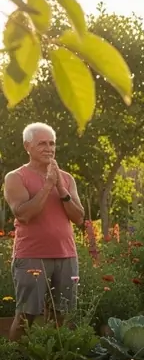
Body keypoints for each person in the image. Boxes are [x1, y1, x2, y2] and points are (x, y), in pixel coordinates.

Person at [3, 123, 85, 340]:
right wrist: (48, 184)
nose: (49, 148)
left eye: (52, 143)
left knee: (62, 315)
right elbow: (24, 214)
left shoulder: (67, 179)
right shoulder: (16, 177)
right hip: (31, 256)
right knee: (26, 315)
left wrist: (60, 187)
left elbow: (79, 217)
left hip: (66, 255)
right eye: (42, 143)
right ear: (27, 146)